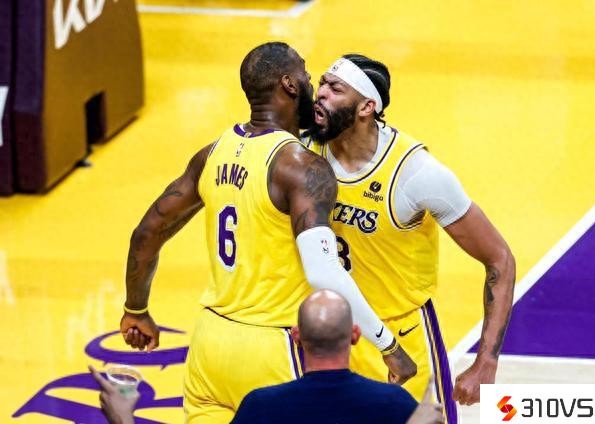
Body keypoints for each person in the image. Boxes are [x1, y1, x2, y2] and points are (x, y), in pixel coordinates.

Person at [118, 42, 416, 423]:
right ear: (290, 85)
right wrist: (388, 346)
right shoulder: (301, 168)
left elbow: (147, 232)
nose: (313, 86)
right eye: (307, 75)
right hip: (272, 348)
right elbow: (324, 271)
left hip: (210, 345)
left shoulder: (212, 154)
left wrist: (136, 310)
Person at [303, 54, 516, 422]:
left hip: (399, 336)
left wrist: (486, 361)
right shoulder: (301, 149)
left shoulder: (416, 174)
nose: (320, 93)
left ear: (367, 107)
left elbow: (500, 258)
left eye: (335, 89)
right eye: (321, 83)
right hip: (321, 334)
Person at [90, 290, 444, 424]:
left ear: (296, 336)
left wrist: (124, 418)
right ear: (354, 336)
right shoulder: (394, 403)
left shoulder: (261, 407)